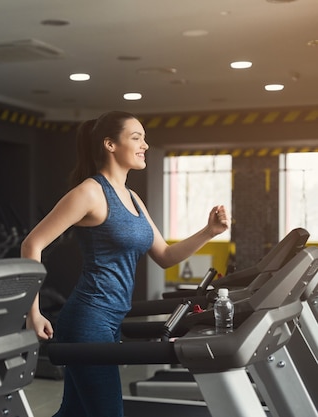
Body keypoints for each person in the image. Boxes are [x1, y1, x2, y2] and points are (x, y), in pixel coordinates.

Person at [21, 111, 229, 417]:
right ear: (110, 144)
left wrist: (209, 232)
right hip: (88, 320)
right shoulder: (90, 192)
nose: (145, 144)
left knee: (75, 413)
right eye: (136, 138)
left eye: (144, 137)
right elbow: (32, 244)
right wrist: (33, 314)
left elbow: (165, 256)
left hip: (110, 319)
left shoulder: (132, 198)